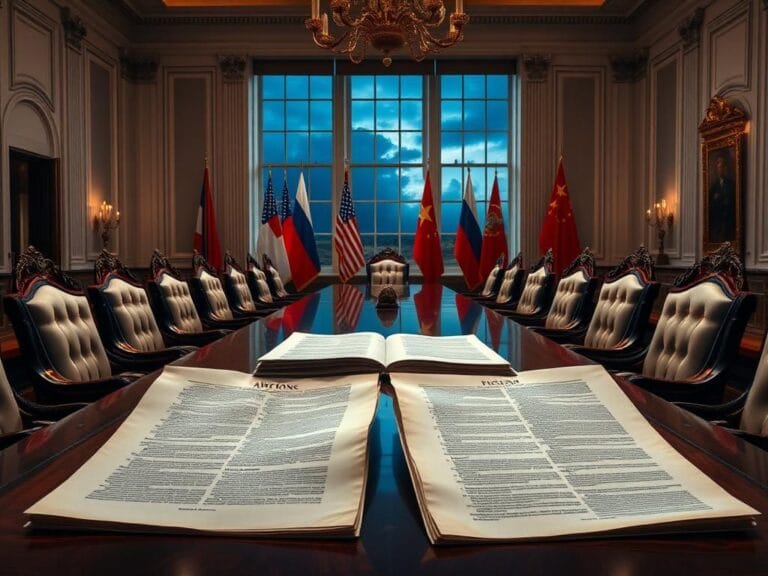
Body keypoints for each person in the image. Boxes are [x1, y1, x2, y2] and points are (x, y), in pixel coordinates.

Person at [708, 153, 736, 243]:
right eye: (719, 167)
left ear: (725, 168)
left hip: (729, 222)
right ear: (717, 169)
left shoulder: (731, 184)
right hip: (718, 223)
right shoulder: (713, 186)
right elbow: (709, 206)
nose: (721, 169)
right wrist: (715, 200)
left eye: (723, 167)